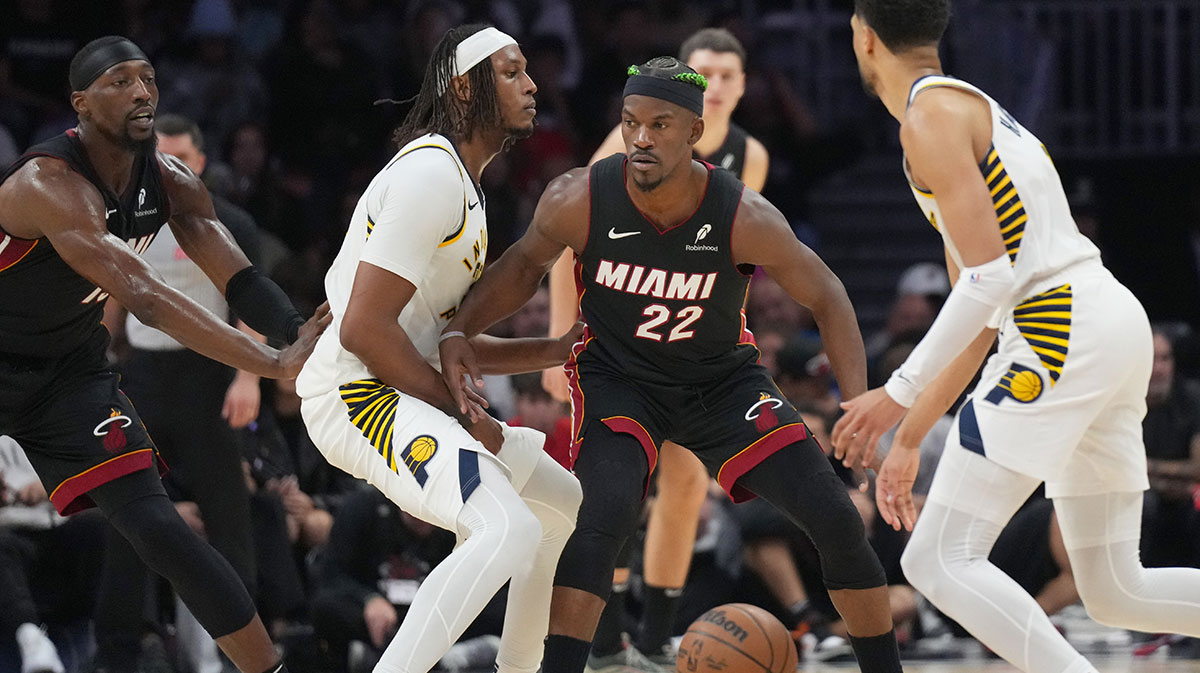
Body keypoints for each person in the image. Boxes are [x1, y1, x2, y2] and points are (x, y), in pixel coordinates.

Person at [440, 57, 904, 673]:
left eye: (660, 125)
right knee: (601, 519)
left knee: (837, 518)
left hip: (721, 382)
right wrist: (457, 330)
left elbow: (829, 296)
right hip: (619, 380)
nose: (640, 137)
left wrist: (854, 404)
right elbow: (521, 270)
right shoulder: (580, 197)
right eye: (631, 122)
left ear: (694, 132)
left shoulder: (743, 215)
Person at [832, 2, 1200, 672]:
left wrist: (897, 390)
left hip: (1057, 329)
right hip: (1101, 320)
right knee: (1118, 587)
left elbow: (988, 282)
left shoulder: (929, 118)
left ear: (862, 37)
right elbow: (977, 310)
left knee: (938, 559)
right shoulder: (972, 109)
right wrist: (910, 436)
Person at [0, 36, 330, 673]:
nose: (141, 91)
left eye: (147, 77)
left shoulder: (171, 182)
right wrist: (270, 364)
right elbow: (144, 297)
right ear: (81, 104)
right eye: (119, 81)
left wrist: (295, 334)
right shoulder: (48, 182)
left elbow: (239, 278)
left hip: (69, 375)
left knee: (160, 529)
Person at [293, 24, 582, 673]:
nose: (532, 84)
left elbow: (435, 342)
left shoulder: (464, 184)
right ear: (462, 89)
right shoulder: (431, 175)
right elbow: (364, 330)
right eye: (511, 72)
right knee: (509, 529)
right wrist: (460, 412)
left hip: (400, 384)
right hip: (356, 390)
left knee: (559, 504)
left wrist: (556, 348)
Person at [542, 29, 772, 669]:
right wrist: (562, 344)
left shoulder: (750, 156)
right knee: (616, 486)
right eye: (705, 73)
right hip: (616, 340)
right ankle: (607, 640)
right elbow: (569, 238)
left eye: (729, 74)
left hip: (691, 345)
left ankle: (654, 639)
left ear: (742, 86)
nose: (718, 85)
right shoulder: (631, 141)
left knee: (687, 483)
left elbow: (738, 263)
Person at [99, 111, 267, 667]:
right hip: (143, 376)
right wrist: (99, 358)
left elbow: (249, 298)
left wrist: (249, 376)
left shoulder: (231, 222)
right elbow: (115, 291)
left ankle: (243, 653)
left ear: (199, 164)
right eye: (157, 158)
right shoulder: (128, 219)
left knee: (228, 518)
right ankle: (122, 647)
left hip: (209, 377)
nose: (164, 169)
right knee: (126, 510)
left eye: (177, 160)